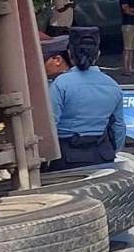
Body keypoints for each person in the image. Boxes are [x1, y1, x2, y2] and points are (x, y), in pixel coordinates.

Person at [43, 28, 126, 171]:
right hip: (102, 157)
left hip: (66, 158)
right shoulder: (113, 86)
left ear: (70, 53)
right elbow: (118, 128)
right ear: (98, 54)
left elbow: (50, 125)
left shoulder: (60, 84)